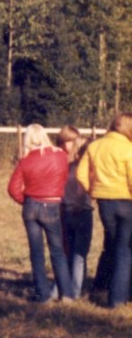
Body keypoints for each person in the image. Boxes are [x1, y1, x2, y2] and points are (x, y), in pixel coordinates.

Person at [7, 124, 73, 303]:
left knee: (36, 252)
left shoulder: (25, 160)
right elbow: (64, 179)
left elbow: (13, 188)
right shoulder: (60, 156)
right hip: (51, 205)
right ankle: (66, 294)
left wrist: (26, 201)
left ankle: (42, 295)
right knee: (58, 251)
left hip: (31, 207)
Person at [77, 112, 132, 308]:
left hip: (104, 203)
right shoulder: (128, 149)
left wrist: (93, 191)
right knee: (124, 250)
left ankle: (103, 287)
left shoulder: (94, 146)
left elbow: (81, 174)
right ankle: (118, 299)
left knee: (114, 243)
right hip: (127, 202)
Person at [57, 125, 93, 300]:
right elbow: (83, 189)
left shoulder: (66, 166)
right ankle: (75, 292)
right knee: (80, 256)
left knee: (68, 253)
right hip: (82, 212)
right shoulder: (84, 169)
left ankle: (60, 289)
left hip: (66, 211)